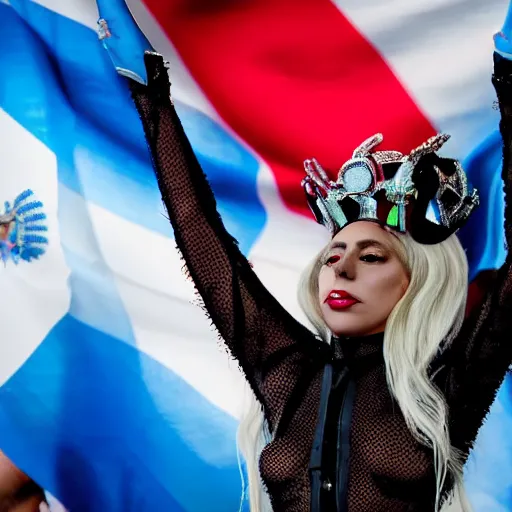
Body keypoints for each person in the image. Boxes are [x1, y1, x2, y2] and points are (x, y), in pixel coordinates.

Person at [97, 1, 512, 510]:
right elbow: (199, 231)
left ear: (416, 283)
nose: (341, 266)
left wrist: (510, 78)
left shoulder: (447, 387)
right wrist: (149, 93)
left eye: (373, 256)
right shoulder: (285, 370)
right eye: (334, 253)